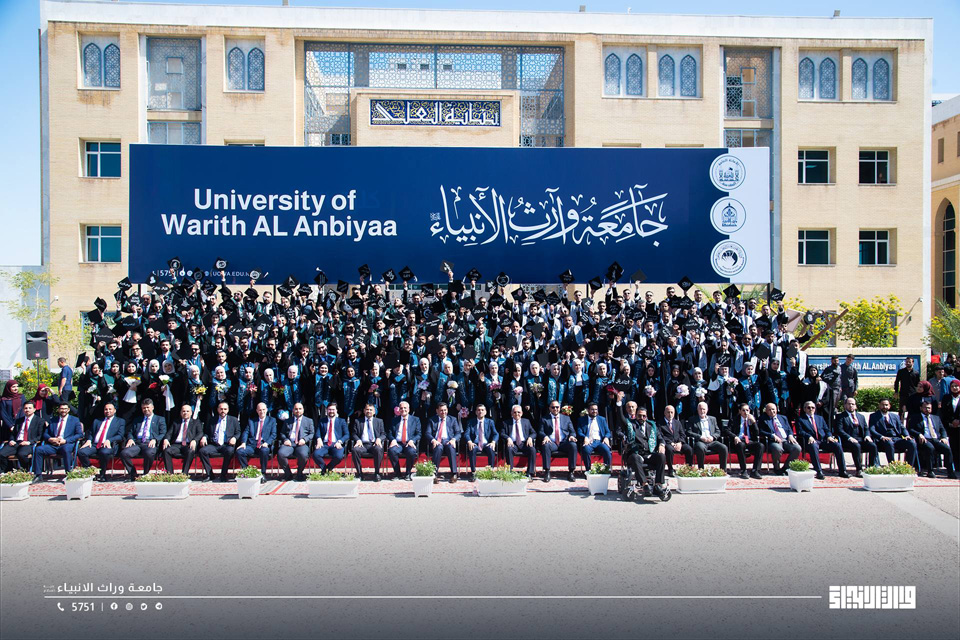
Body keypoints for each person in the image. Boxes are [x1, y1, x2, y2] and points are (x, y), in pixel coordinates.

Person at [31, 402, 83, 481]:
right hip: (53, 445)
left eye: (65, 409)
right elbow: (45, 433)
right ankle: (38, 475)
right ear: (58, 410)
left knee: (66, 449)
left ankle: (68, 473)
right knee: (39, 449)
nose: (63, 410)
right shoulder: (53, 420)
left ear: (68, 410)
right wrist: (50, 439)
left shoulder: (74, 420)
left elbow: (79, 434)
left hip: (66, 444)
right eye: (61, 409)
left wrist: (65, 441)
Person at [796, 400, 847, 479]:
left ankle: (842, 471)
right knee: (813, 446)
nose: (811, 409)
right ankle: (818, 471)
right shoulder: (800, 419)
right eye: (808, 408)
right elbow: (800, 431)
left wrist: (829, 436)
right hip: (809, 441)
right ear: (804, 409)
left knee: (837, 445)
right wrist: (809, 436)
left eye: (813, 407)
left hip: (822, 440)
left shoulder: (820, 418)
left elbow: (826, 429)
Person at [907, 400, 956, 479]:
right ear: (921, 408)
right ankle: (930, 471)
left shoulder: (936, 418)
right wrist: (919, 434)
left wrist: (944, 437)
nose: (927, 410)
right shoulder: (915, 418)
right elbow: (910, 429)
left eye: (929, 408)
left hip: (935, 439)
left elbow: (942, 429)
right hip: (924, 440)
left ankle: (950, 472)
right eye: (925, 408)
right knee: (930, 448)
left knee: (947, 449)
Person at [76, 401, 125, 481]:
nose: (108, 411)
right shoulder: (97, 421)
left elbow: (120, 436)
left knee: (104, 452)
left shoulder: (120, 421)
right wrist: (89, 440)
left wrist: (109, 440)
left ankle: (102, 474)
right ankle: (91, 470)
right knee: (81, 452)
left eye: (110, 409)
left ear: (114, 410)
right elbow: (91, 432)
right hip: (95, 444)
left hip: (108, 445)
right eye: (106, 409)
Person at [621, 404, 666, 491]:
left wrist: (662, 445)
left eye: (644, 416)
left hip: (649, 454)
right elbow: (621, 418)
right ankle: (644, 484)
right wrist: (619, 403)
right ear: (636, 415)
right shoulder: (630, 424)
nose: (641, 418)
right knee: (635, 457)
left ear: (646, 416)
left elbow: (660, 438)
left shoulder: (652, 426)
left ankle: (658, 484)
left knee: (661, 456)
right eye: (639, 416)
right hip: (635, 454)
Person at [119, 399, 166, 481]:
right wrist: (130, 439)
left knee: (149, 453)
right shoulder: (137, 419)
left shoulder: (160, 419)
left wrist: (155, 439)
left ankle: (145, 474)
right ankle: (133, 474)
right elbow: (130, 432)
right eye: (144, 408)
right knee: (124, 453)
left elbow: (163, 433)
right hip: (137, 443)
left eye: (148, 407)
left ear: (152, 407)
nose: (146, 409)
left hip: (150, 443)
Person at [869, 398, 919, 470]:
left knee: (912, 442)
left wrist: (907, 435)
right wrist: (881, 437)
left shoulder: (895, 416)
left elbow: (902, 428)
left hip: (896, 438)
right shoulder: (874, 416)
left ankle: (908, 467)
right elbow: (872, 429)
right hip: (883, 440)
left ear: (889, 406)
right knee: (889, 443)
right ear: (879, 405)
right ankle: (892, 466)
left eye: (886, 405)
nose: (884, 407)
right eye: (882, 405)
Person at [198, 401, 241, 482]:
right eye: (221, 409)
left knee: (229, 451)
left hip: (227, 444)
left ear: (228, 410)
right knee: (202, 451)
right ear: (218, 409)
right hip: (214, 444)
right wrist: (204, 437)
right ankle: (210, 474)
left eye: (225, 409)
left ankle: (223, 474)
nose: (223, 411)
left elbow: (238, 432)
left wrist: (235, 438)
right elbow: (207, 432)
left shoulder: (233, 420)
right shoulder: (212, 420)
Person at [835, 397, 878, 475]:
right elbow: (839, 430)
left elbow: (866, 428)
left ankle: (871, 468)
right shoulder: (840, 416)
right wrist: (849, 438)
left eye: (853, 404)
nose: (851, 405)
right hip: (847, 440)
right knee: (856, 446)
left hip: (861, 438)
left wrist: (867, 436)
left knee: (873, 446)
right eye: (849, 404)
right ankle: (859, 469)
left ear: (856, 406)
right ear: (845, 405)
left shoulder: (861, 416)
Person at [0, 401, 44, 473]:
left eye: (30, 408)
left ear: (34, 409)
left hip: (28, 443)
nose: (27, 410)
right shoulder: (19, 420)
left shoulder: (40, 421)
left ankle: (26, 470)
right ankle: (3, 472)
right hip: (16, 442)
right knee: (1, 454)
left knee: (21, 454)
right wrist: (11, 440)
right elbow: (13, 434)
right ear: (23, 410)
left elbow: (40, 436)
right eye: (25, 408)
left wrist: (29, 442)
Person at [539, 401, 577, 482]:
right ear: (549, 408)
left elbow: (572, 431)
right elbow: (540, 432)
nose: (555, 409)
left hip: (564, 442)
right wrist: (545, 436)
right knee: (546, 445)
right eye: (553, 407)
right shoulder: (544, 419)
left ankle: (571, 472)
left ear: (560, 408)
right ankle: (547, 472)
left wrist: (572, 436)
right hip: (551, 442)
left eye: (557, 407)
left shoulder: (566, 418)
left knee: (573, 445)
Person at [236, 402, 276, 480]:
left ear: (266, 410)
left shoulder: (272, 420)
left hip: (264, 444)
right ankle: (248, 471)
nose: (262, 412)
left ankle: (263, 473)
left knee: (264, 450)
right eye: (260, 410)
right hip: (252, 444)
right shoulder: (251, 420)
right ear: (257, 411)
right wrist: (243, 443)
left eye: (263, 409)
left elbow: (273, 434)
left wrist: (267, 443)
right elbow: (246, 432)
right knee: (240, 451)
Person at [759, 403, 801, 475]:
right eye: (769, 410)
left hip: (786, 439)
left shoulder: (783, 418)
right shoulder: (763, 419)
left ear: (776, 409)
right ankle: (777, 468)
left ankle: (786, 467)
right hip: (773, 441)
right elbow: (761, 431)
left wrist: (790, 435)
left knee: (797, 448)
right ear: (766, 411)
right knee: (777, 448)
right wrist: (772, 435)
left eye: (773, 409)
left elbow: (789, 429)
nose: (772, 411)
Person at [724, 403, 763, 479]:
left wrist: (754, 422)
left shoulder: (751, 419)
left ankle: (755, 470)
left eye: (747, 410)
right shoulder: (734, 419)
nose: (746, 412)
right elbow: (726, 431)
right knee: (740, 445)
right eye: (743, 410)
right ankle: (743, 470)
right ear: (740, 411)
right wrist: (735, 436)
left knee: (760, 446)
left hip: (749, 440)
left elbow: (757, 433)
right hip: (739, 440)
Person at [687, 401, 728, 472]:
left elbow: (718, 431)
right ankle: (701, 470)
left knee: (724, 448)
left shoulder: (713, 419)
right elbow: (689, 432)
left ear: (707, 410)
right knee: (700, 447)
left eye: (704, 409)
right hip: (701, 441)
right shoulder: (692, 419)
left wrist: (713, 437)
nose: (702, 411)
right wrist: (700, 437)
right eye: (700, 409)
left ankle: (723, 470)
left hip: (712, 441)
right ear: (697, 410)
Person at [162, 404, 202, 474]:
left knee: (190, 451)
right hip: (176, 445)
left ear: (191, 413)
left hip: (188, 444)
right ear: (180, 413)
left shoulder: (196, 422)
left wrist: (194, 440)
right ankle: (170, 474)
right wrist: (166, 439)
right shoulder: (176, 422)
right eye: (183, 411)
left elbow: (200, 433)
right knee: (166, 450)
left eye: (187, 411)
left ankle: (184, 474)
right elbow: (169, 433)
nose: (185, 413)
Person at [427, 402, 461, 483]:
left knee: (451, 447)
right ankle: (434, 474)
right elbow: (427, 433)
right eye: (441, 410)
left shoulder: (453, 419)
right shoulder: (432, 420)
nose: (443, 412)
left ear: (447, 410)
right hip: (437, 442)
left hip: (448, 441)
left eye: (445, 410)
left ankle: (454, 474)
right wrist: (433, 440)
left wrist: (454, 439)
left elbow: (458, 433)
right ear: (437, 411)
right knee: (438, 448)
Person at [350, 403, 384, 481]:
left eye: (371, 410)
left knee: (378, 449)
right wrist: (358, 440)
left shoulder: (379, 421)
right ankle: (359, 473)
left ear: (374, 412)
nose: (369, 411)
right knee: (355, 450)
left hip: (374, 444)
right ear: (364, 411)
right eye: (367, 409)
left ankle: (377, 473)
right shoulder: (358, 421)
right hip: (362, 444)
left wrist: (379, 439)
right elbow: (353, 434)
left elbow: (383, 434)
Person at [465, 404, 498, 482]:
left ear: (485, 412)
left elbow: (496, 434)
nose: (480, 412)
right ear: (476, 412)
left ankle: (491, 472)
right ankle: (473, 472)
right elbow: (466, 434)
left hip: (486, 443)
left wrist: (493, 442)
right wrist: (469, 441)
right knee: (472, 448)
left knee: (491, 448)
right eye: (479, 410)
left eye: (482, 410)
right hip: (475, 443)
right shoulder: (471, 422)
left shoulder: (490, 422)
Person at [388, 401, 420, 480]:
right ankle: (397, 474)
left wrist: (412, 440)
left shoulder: (415, 419)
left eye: (405, 408)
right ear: (399, 410)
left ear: (408, 409)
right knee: (392, 451)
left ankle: (408, 473)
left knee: (411, 452)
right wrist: (393, 440)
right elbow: (389, 433)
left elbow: (419, 434)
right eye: (401, 408)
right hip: (398, 443)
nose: (403, 410)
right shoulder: (394, 420)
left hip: (409, 443)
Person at [659, 401, 693, 476]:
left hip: (678, 442)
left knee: (689, 449)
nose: (670, 414)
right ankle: (670, 469)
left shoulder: (677, 422)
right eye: (668, 412)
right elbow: (660, 435)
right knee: (669, 449)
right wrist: (671, 443)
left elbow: (682, 434)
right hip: (668, 443)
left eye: (672, 412)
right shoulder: (660, 423)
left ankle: (689, 469)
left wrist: (680, 443)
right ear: (664, 413)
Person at [577, 402, 612, 472]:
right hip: (589, 442)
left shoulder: (602, 419)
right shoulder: (581, 420)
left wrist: (606, 437)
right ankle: (588, 470)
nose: (594, 411)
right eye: (592, 409)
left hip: (600, 442)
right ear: (588, 410)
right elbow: (579, 432)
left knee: (606, 450)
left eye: (596, 409)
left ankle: (607, 470)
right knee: (586, 450)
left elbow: (608, 432)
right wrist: (585, 437)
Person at [503, 404, 537, 478]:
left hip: (524, 443)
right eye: (515, 412)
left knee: (532, 449)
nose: (517, 414)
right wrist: (508, 438)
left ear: (522, 413)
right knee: (509, 449)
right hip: (513, 444)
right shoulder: (506, 422)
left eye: (518, 412)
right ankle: (510, 472)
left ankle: (530, 472)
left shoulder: (526, 421)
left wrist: (530, 438)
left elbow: (534, 433)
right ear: (511, 413)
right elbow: (502, 433)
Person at [313, 403, 348, 473]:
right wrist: (319, 439)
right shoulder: (322, 421)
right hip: (324, 444)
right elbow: (317, 432)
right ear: (326, 410)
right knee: (315, 455)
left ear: (336, 410)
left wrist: (340, 441)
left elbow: (347, 434)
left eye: (333, 409)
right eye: (329, 409)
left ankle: (329, 468)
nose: (331, 411)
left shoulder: (342, 421)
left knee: (339, 456)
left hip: (336, 444)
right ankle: (324, 469)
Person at [940, 379, 960, 465]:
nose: (954, 388)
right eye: (952, 386)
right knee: (952, 446)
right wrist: (952, 421)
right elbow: (944, 411)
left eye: (956, 386)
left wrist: (958, 421)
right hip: (950, 426)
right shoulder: (946, 397)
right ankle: (952, 466)